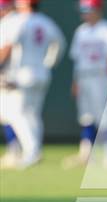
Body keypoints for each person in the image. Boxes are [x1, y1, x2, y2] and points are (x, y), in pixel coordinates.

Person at [0, 0, 65, 169]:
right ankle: (34, 150)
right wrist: (48, 63)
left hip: (21, 75)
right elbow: (60, 44)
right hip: (41, 74)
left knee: (17, 114)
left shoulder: (18, 21)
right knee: (32, 114)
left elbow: (7, 46)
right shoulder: (46, 21)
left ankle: (32, 152)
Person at [64, 0, 107, 168]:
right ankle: (86, 154)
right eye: (83, 10)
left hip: (100, 77)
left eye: (88, 9)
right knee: (86, 116)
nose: (85, 13)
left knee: (105, 117)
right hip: (84, 77)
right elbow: (77, 60)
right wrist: (75, 81)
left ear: (98, 9)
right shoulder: (80, 31)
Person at [0, 0, 19, 169]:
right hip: (8, 74)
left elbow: (7, 48)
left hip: (11, 75)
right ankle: (15, 150)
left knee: (14, 114)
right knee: (7, 114)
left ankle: (19, 151)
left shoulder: (12, 21)